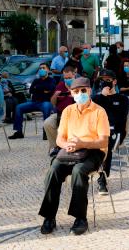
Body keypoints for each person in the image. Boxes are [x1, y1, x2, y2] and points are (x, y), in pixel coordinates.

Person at [38, 77, 110, 236]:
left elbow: (103, 140)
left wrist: (82, 143)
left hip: (94, 151)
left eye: (83, 90)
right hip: (71, 150)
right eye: (76, 91)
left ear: (90, 91)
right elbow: (59, 138)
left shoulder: (99, 111)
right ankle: (49, 217)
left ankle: (80, 218)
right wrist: (66, 145)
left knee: (79, 171)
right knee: (53, 171)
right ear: (71, 93)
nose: (80, 94)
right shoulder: (68, 111)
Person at [92, 70, 129, 195]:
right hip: (98, 132)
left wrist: (106, 98)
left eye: (108, 80)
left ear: (114, 81)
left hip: (116, 133)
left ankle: (102, 178)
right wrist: (103, 97)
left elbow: (120, 119)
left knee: (105, 143)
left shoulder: (123, 99)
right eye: (102, 80)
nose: (105, 82)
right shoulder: (96, 99)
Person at [9, 63, 57, 139]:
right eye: (40, 68)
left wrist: (37, 88)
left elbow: (50, 89)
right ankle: (18, 132)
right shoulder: (36, 80)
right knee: (18, 107)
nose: (41, 70)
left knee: (46, 107)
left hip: (46, 102)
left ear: (48, 70)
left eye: (43, 68)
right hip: (34, 102)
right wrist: (43, 90)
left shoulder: (51, 80)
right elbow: (31, 90)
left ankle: (46, 132)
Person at [44, 66, 77, 151]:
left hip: (76, 114)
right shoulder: (60, 85)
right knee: (47, 123)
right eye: (65, 78)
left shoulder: (80, 85)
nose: (67, 79)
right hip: (60, 113)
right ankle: (57, 146)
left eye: (69, 78)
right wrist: (55, 95)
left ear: (74, 75)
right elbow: (53, 103)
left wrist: (74, 94)